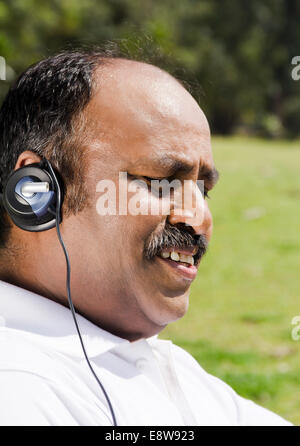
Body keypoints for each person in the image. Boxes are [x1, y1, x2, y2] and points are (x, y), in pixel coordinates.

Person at [0, 49, 291, 426]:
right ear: (36, 192)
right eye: (160, 182)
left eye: (203, 190)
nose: (199, 217)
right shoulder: (20, 389)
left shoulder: (155, 362)